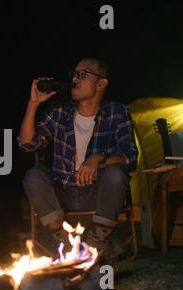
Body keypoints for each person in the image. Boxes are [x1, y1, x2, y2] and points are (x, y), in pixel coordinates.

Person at [19, 58, 138, 259]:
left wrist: (98, 158)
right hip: (62, 191)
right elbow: (26, 144)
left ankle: (98, 241)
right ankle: (64, 240)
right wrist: (33, 104)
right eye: (74, 74)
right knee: (33, 176)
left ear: (101, 83)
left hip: (96, 191)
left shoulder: (117, 112)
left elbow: (130, 157)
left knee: (117, 174)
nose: (75, 78)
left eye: (82, 74)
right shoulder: (59, 113)